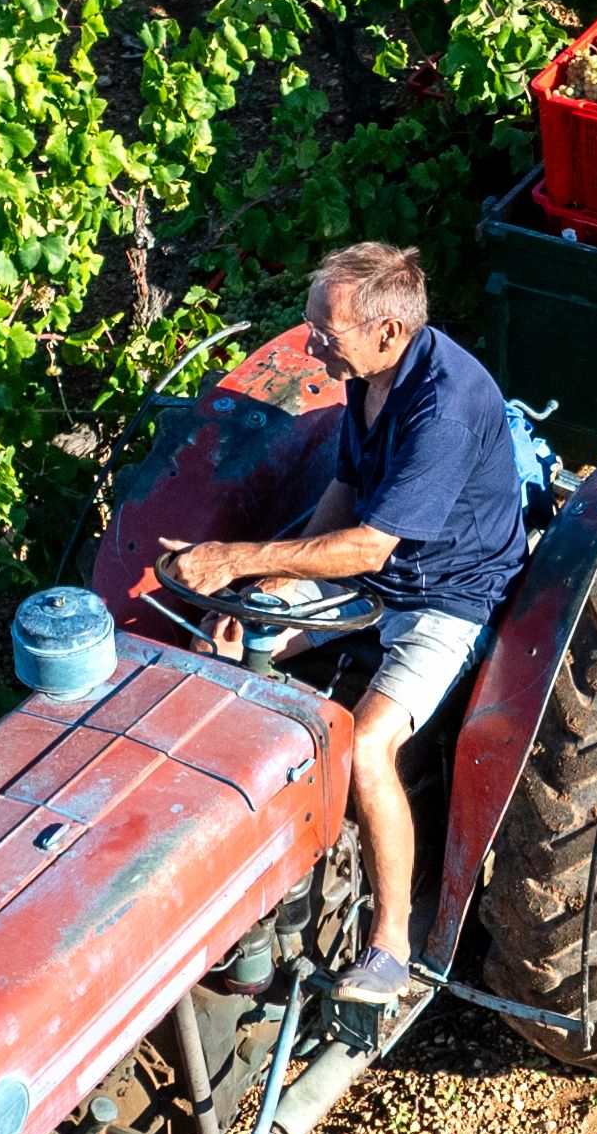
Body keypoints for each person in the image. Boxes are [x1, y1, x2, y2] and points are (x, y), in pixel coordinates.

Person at [160, 243, 523, 1009]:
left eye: (326, 333)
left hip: (446, 597)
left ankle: (392, 948)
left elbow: (368, 547)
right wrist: (269, 586)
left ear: (388, 331)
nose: (313, 346)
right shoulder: (367, 378)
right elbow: (345, 491)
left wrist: (233, 559)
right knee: (222, 644)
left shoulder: (445, 408)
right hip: (375, 574)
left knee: (366, 745)